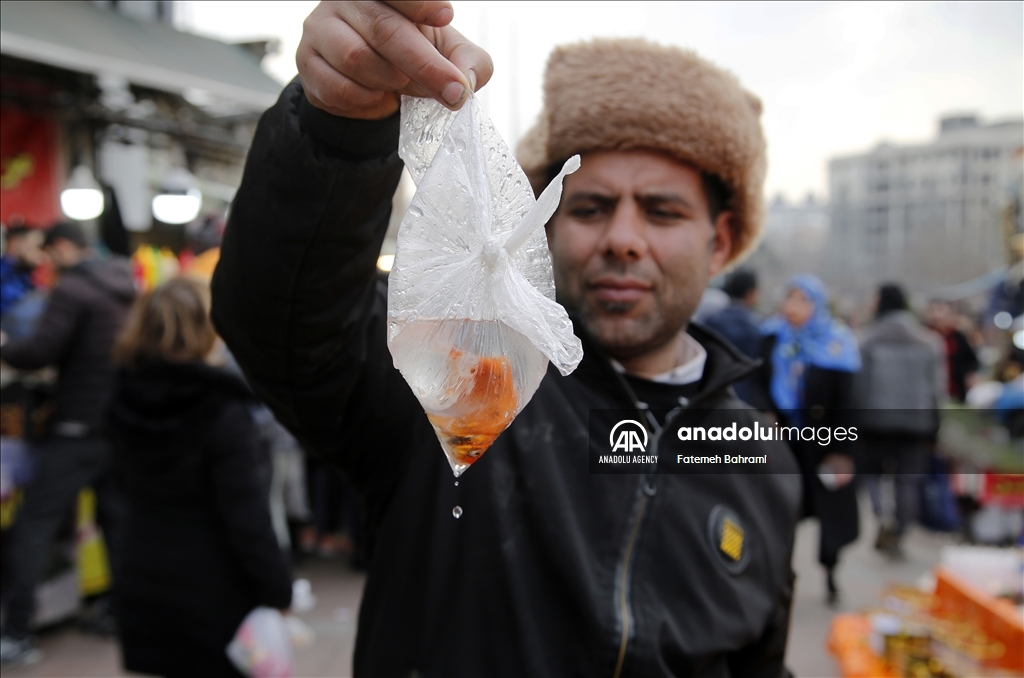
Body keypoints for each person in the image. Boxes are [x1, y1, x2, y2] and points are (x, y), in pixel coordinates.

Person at [212, 2, 801, 675]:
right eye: (590, 206)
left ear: (720, 241)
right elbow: (285, 326)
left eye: (662, 212)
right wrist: (339, 127)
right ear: (543, 223)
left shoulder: (763, 466)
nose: (623, 240)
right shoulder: (467, 377)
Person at [107, 277, 293, 677]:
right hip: (213, 588)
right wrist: (278, 588)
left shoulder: (120, 399)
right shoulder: (223, 412)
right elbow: (248, 519)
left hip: (141, 575)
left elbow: (116, 487)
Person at [0, 221, 135, 667]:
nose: (42, 260)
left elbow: (41, 350)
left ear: (61, 247)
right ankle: (121, 614)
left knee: (33, 525)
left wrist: (4, 346)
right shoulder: (119, 285)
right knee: (117, 524)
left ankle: (16, 632)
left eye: (44, 249)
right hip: (113, 427)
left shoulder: (73, 290)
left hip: (76, 427)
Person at [758, 274, 860, 606]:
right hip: (783, 440)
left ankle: (831, 573)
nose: (793, 307)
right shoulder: (772, 338)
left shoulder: (836, 343)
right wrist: (765, 413)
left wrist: (844, 451)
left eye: (802, 300)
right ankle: (777, 575)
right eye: (790, 298)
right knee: (780, 510)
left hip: (825, 442)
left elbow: (848, 402)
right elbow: (756, 383)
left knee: (830, 511)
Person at [856, 284, 944, 558]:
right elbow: (937, 389)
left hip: (875, 420)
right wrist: (935, 426)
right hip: (916, 423)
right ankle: (899, 530)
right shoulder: (929, 342)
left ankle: (882, 515)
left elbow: (860, 386)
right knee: (908, 481)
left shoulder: (867, 341)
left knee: (872, 474)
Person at [703, 268, 763, 406]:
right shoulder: (758, 328)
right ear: (750, 293)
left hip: (712, 398)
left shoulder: (710, 321)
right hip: (747, 401)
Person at [925, 300, 979, 403]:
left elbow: (971, 360)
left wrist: (970, 374)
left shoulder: (957, 337)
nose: (936, 315)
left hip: (954, 389)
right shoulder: (922, 336)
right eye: (932, 310)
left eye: (939, 310)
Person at [0, 224, 45, 319]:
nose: (41, 254)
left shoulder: (25, 274)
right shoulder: (5, 274)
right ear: (15, 242)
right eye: (36, 246)